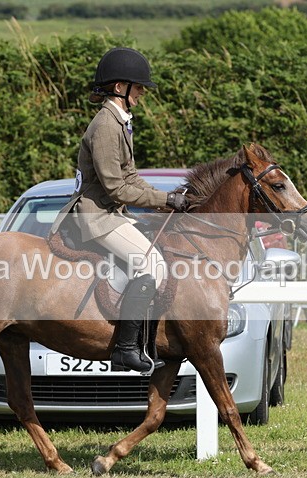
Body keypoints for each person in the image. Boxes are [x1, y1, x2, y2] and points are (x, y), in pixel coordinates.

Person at [51, 47, 188, 373]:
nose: (142, 92)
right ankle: (126, 348)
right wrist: (165, 201)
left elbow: (131, 179)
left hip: (113, 213)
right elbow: (116, 187)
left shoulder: (119, 122)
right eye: (138, 86)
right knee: (151, 264)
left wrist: (165, 196)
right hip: (97, 216)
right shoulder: (106, 127)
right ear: (119, 88)